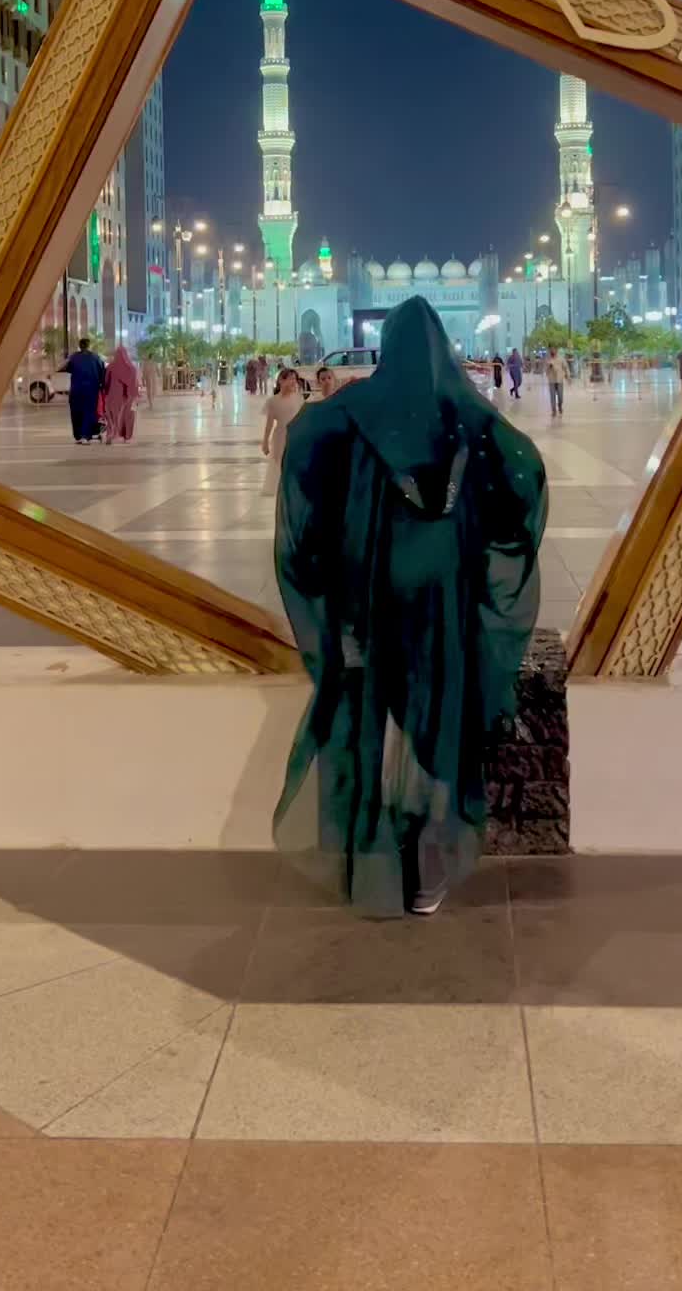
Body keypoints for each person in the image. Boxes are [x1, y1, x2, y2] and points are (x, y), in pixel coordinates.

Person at [274, 298, 546, 915]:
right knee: (435, 725)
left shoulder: (348, 415)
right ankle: (427, 870)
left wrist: (328, 562)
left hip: (364, 605)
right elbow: (521, 481)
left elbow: (306, 470)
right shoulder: (467, 419)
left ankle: (369, 863)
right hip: (439, 606)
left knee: (371, 724)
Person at [261, 366, 303, 494]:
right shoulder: (273, 401)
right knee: (279, 461)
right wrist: (265, 441)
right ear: (281, 380)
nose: (293, 382)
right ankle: (281, 487)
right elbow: (269, 424)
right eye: (290, 379)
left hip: (296, 435)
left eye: (294, 379)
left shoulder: (298, 398)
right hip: (280, 435)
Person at [64, 338, 104, 443]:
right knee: (89, 412)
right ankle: (86, 435)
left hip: (76, 390)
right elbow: (102, 372)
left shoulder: (73, 357)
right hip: (91, 390)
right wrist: (101, 385)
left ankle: (78, 436)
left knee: (76, 412)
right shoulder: (95, 357)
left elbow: (66, 368)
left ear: (80, 346)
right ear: (89, 346)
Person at [103, 345, 140, 443]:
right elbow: (135, 384)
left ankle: (111, 434)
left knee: (112, 416)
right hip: (128, 396)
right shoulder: (132, 368)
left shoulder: (110, 367)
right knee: (127, 416)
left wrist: (105, 393)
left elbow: (106, 381)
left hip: (112, 396)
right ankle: (126, 437)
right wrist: (136, 395)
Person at [545, 346, 569, 417]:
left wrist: (568, 376)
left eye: (554, 349)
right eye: (551, 350)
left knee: (560, 396)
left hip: (559, 380)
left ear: (556, 350)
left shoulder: (561, 359)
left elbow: (566, 367)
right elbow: (546, 371)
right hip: (551, 380)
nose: (552, 351)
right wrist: (549, 367)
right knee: (552, 396)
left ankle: (560, 406)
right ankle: (553, 410)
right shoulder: (548, 360)